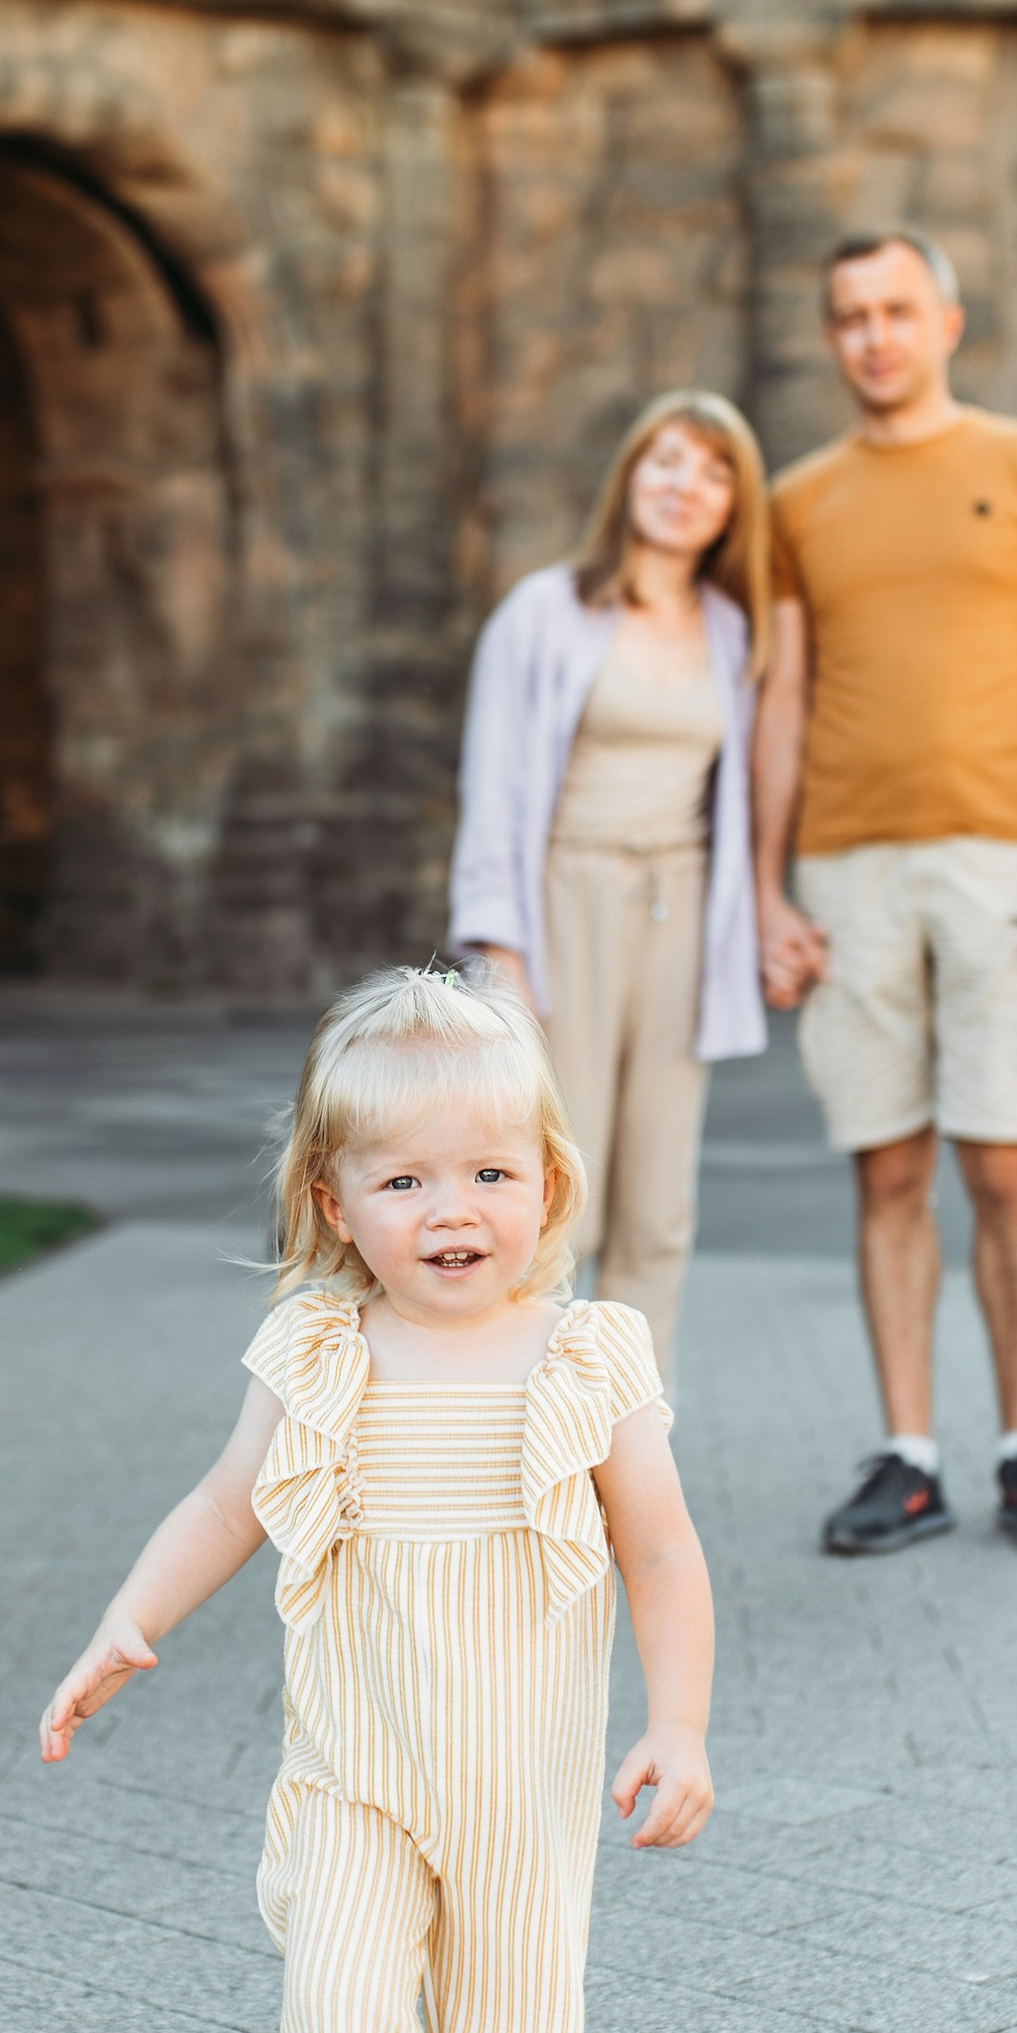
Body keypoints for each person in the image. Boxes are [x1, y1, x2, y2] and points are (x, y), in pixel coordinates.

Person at [37, 966, 716, 2033]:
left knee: (512, 2005)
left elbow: (661, 1545)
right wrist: (124, 1618)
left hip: (522, 1784)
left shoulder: (588, 1354)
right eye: (403, 1177)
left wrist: (679, 1719)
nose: (451, 1206)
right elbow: (228, 1500)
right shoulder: (317, 1349)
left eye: (486, 1169)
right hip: (356, 1761)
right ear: (336, 1203)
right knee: (340, 1989)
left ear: (547, 1179)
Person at [754, 230, 1017, 1556]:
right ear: (832, 334)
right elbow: (781, 694)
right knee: (887, 1168)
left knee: (1005, 1162)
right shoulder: (797, 498)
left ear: (948, 320)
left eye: (897, 309)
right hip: (845, 867)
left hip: (1001, 859)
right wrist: (763, 888)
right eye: (849, 314)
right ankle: (907, 1456)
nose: (874, 335)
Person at [449, 391, 770, 1375]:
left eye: (714, 472)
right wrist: (500, 959)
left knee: (658, 1203)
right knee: (552, 1193)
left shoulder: (732, 629)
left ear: (733, 505)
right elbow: (493, 785)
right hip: (562, 908)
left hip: (681, 910)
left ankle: (632, 1452)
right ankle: (514, 1438)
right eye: (667, 461)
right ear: (630, 474)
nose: (686, 487)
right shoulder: (545, 612)